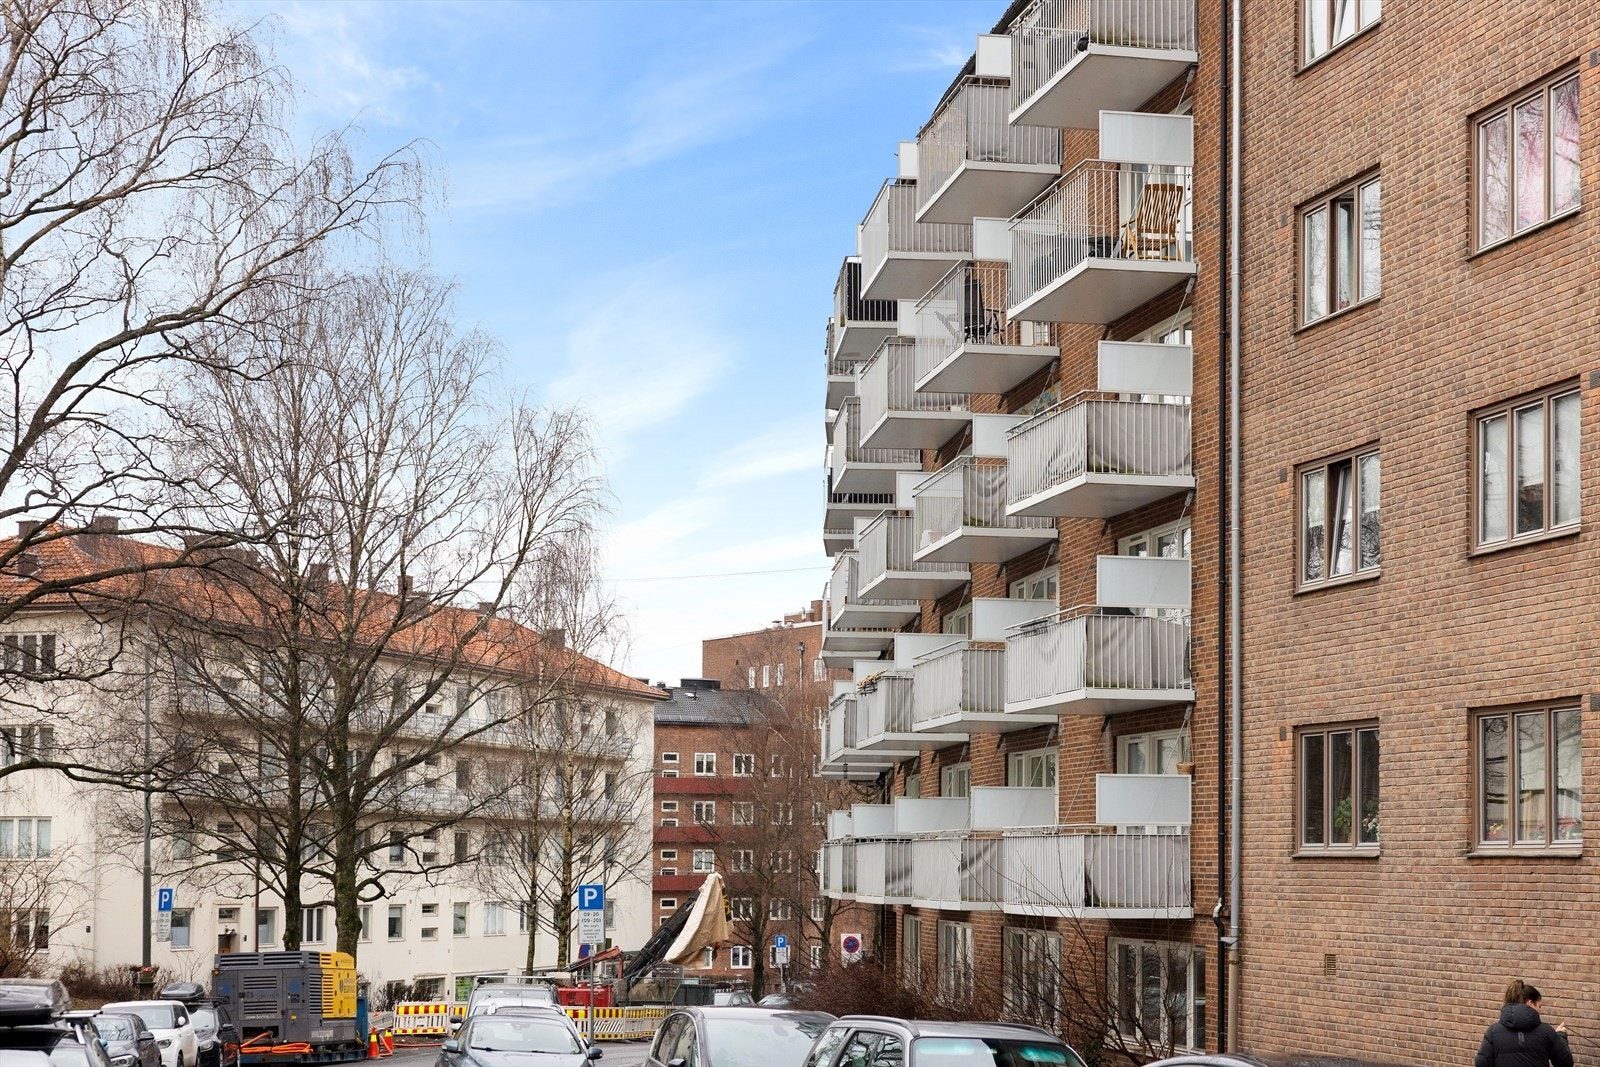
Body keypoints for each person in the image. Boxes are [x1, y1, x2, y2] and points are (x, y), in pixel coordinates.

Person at [1475, 979, 1573, 1067]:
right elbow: (1565, 1063)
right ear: (1530, 1003)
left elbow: (1481, 1063)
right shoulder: (1546, 1032)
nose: (1540, 1011)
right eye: (1539, 1006)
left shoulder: (1493, 1032)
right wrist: (1561, 1036)